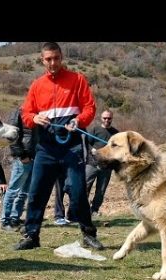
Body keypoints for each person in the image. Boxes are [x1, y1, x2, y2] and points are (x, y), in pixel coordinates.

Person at [14, 42, 104, 250]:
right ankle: (31, 236)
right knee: (37, 192)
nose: (52, 63)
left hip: (71, 146)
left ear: (61, 57)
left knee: (78, 191)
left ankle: (88, 234)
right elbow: (26, 114)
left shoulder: (77, 79)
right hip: (45, 147)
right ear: (42, 60)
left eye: (56, 58)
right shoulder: (37, 85)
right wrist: (35, 118)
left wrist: (79, 121)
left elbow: (89, 107)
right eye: (48, 59)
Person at [0, 107, 36, 230]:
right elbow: (12, 135)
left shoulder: (38, 112)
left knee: (24, 192)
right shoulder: (19, 112)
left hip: (34, 156)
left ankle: (15, 219)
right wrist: (21, 155)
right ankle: (5, 221)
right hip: (23, 158)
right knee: (13, 190)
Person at [85, 110, 119, 217]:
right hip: (92, 163)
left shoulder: (116, 133)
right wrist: (92, 150)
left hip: (106, 166)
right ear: (101, 118)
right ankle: (83, 209)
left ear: (112, 118)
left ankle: (94, 210)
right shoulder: (95, 129)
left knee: (101, 190)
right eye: (105, 118)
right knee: (85, 185)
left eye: (109, 118)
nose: (107, 120)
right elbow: (87, 143)